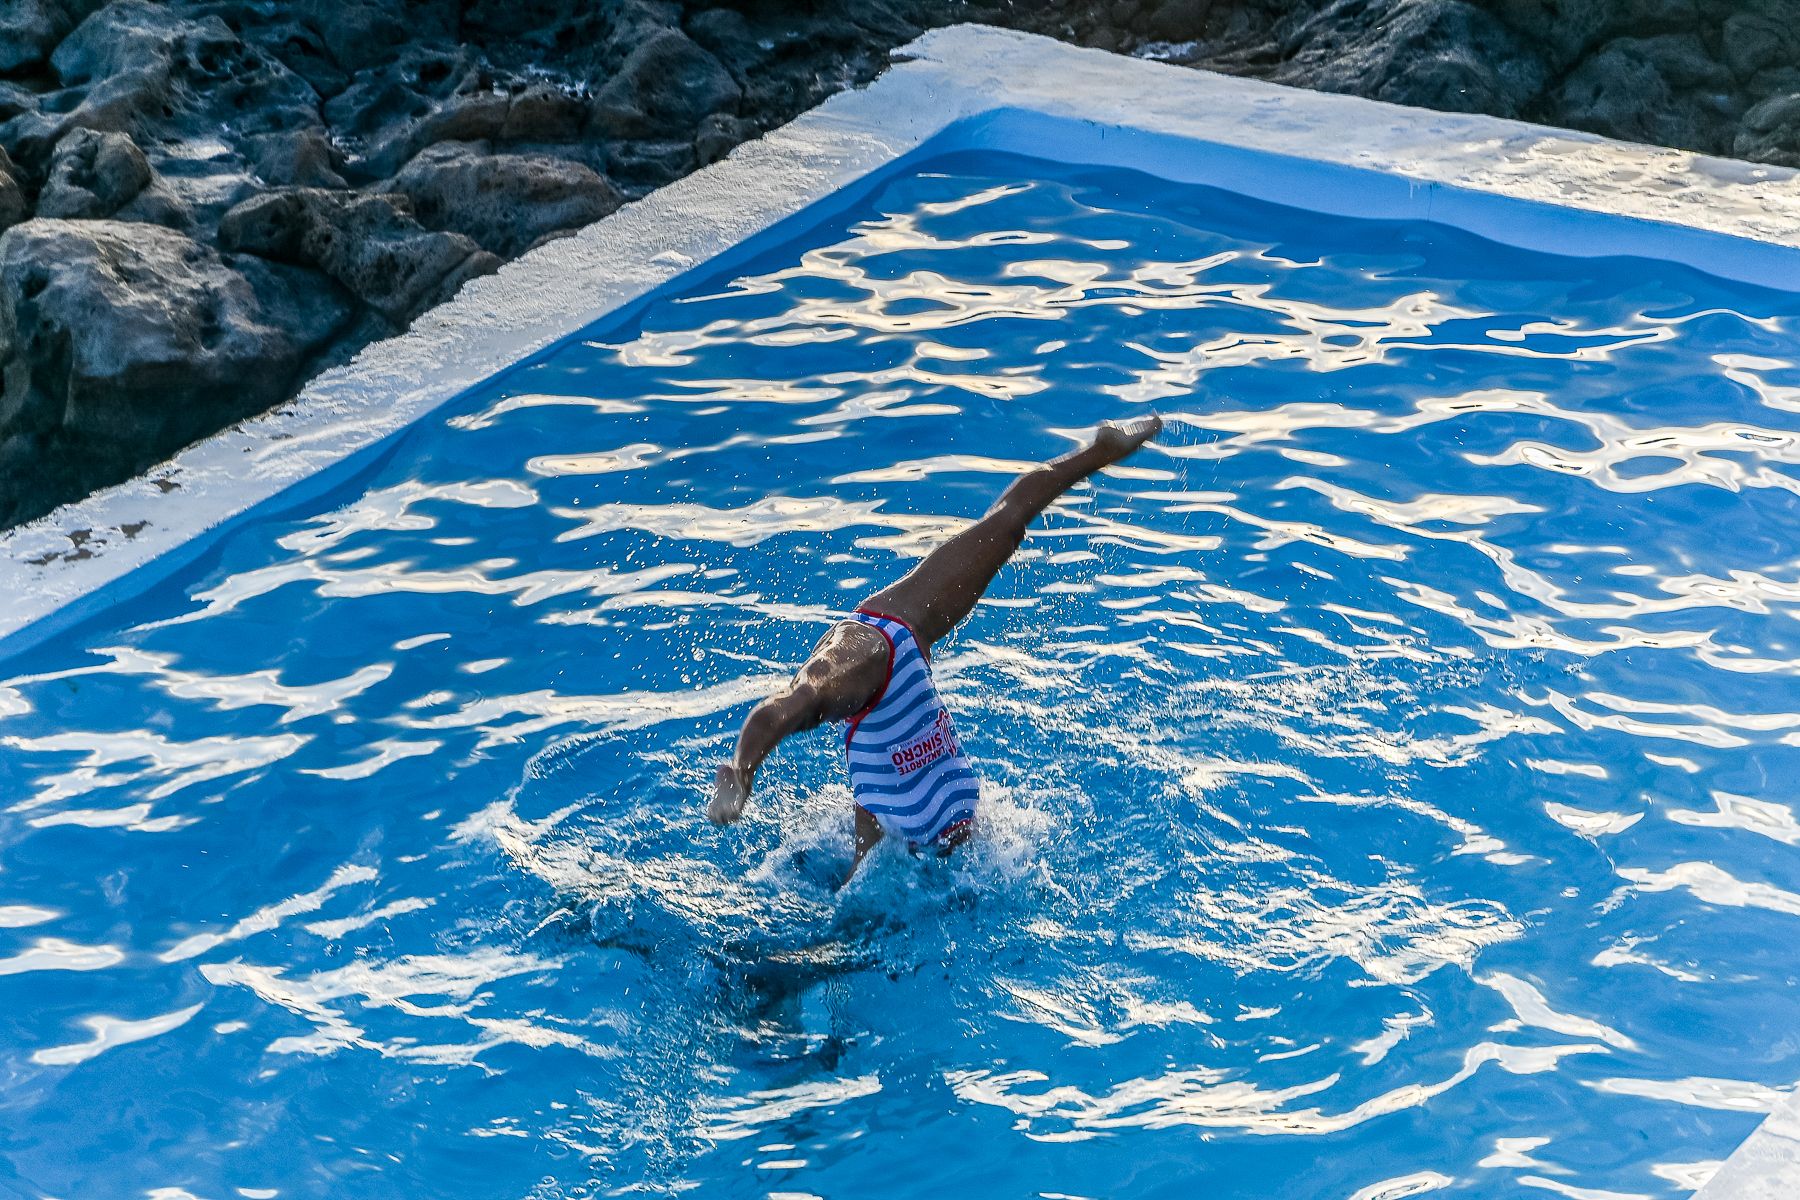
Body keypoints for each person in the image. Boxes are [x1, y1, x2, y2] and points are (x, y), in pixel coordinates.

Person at [708, 414, 1163, 885]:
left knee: (1007, 527)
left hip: (901, 626)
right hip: (902, 842)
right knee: (856, 902)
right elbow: (779, 710)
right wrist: (739, 773)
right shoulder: (843, 671)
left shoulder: (889, 636)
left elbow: (1009, 514)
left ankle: (1101, 449)